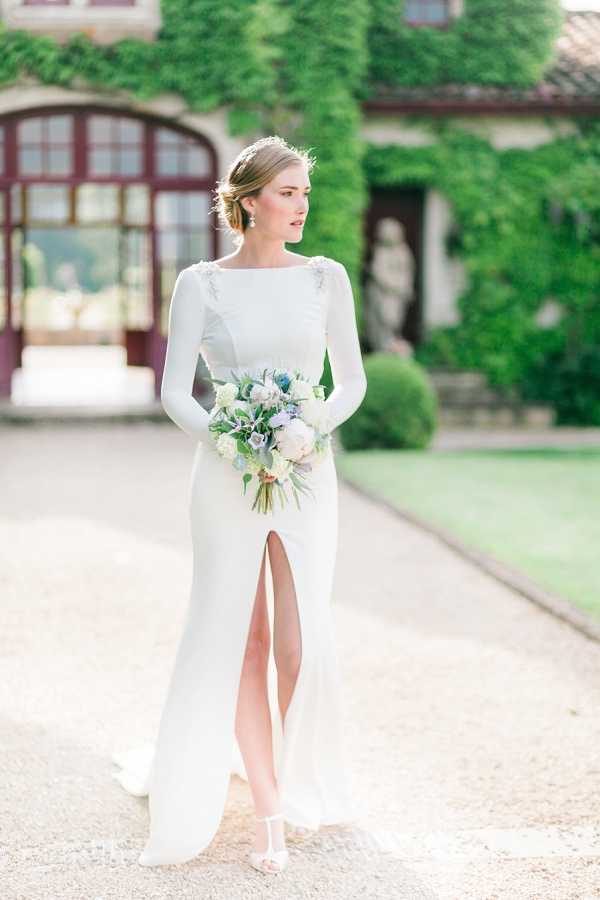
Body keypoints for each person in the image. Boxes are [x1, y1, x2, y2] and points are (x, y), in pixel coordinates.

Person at [112, 135, 368, 873]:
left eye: (304, 194)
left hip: (306, 470)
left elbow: (347, 382)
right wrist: (234, 443)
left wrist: (301, 431)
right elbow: (173, 391)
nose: (301, 207)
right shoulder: (200, 283)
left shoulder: (327, 278)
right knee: (239, 642)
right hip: (225, 476)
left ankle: (297, 780)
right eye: (288, 193)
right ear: (249, 200)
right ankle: (267, 813)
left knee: (300, 645)